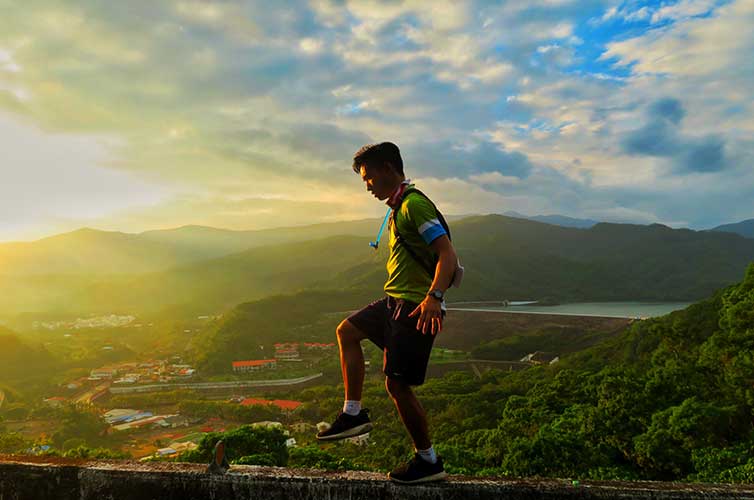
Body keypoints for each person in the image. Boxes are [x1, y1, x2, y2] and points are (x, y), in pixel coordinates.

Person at [316, 142, 459, 484]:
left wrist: (434, 297)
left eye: (368, 178)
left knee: (397, 385)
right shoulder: (397, 209)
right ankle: (353, 414)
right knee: (346, 331)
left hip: (414, 306)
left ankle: (428, 461)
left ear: (387, 169)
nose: (366, 186)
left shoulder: (414, 206)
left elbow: (447, 254)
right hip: (394, 301)